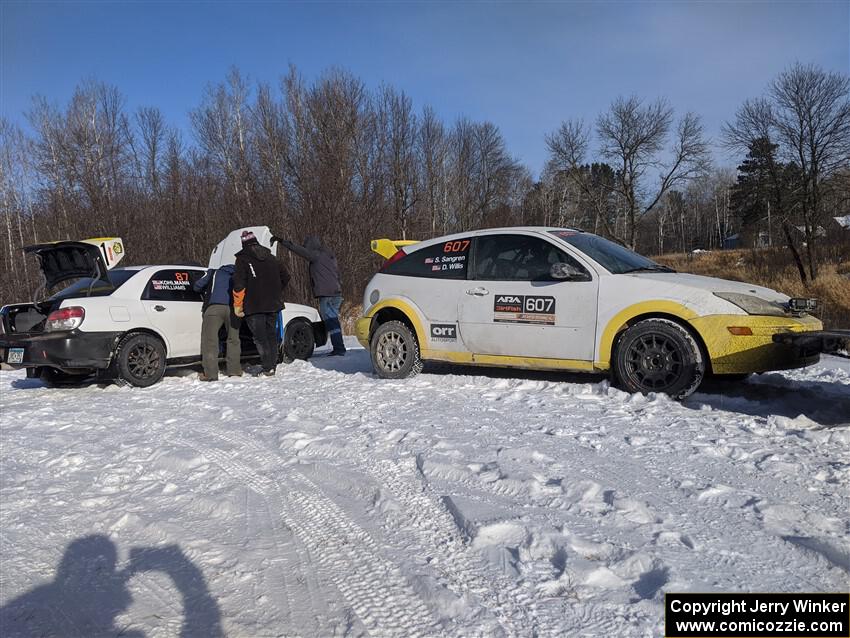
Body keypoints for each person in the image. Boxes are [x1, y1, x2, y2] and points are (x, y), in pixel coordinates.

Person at [275, 235, 346, 356]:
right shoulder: (329, 255)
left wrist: (283, 242)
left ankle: (339, 348)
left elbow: (299, 250)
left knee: (330, 321)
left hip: (326, 293)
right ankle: (339, 346)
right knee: (333, 320)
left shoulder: (316, 255)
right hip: (336, 292)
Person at [232, 230, 290, 376]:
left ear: (243, 243)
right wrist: (276, 291)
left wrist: (238, 305)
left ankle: (267, 366)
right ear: (256, 241)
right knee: (271, 334)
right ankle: (272, 364)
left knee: (260, 337)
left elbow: (239, 284)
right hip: (273, 303)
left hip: (254, 304)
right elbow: (286, 276)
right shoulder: (271, 257)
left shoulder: (242, 259)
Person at [193, 264, 242, 381]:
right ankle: (234, 371)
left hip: (214, 308)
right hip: (234, 309)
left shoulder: (214, 272)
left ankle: (210, 374)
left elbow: (197, 286)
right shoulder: (239, 274)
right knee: (233, 340)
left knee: (210, 341)